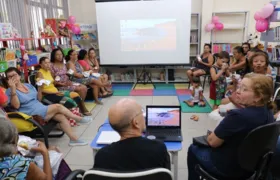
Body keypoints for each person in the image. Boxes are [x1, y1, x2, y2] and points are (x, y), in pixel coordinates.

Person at [188, 73, 274, 179]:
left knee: (193, 148)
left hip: (228, 168)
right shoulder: (269, 112)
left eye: (244, 89)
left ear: (258, 97)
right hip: (252, 168)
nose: (237, 91)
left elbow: (212, 142)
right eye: (239, 87)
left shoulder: (238, 116)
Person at [4, 67, 91, 146]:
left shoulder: (28, 85)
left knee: (61, 117)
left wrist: (40, 88)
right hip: (31, 115)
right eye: (10, 77)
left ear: (19, 76)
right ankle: (78, 119)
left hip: (40, 108)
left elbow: (39, 98)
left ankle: (73, 139)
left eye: (14, 75)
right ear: (7, 80)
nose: (13, 78)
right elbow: (16, 106)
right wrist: (13, 89)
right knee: (58, 106)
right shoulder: (9, 91)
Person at [93, 98, 170, 171]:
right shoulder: (159, 149)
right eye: (142, 113)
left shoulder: (102, 155)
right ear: (135, 122)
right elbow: (166, 175)